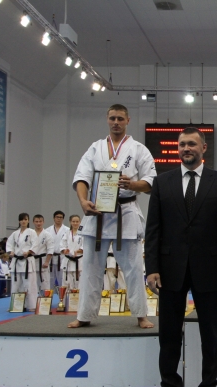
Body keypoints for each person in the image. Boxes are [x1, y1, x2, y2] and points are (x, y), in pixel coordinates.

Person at [145, 127, 217, 387]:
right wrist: (151, 267)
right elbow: (153, 229)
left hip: (210, 267)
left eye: (191, 144)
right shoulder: (161, 182)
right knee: (169, 333)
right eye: (182, 144)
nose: (186, 148)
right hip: (169, 268)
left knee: (211, 332)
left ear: (203, 148)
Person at [69, 104, 156, 329]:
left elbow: (151, 182)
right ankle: (84, 315)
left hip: (126, 212)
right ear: (107, 119)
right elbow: (82, 177)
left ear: (128, 120)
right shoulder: (95, 148)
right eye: (112, 118)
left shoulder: (138, 149)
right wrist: (83, 201)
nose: (116, 122)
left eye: (120, 118)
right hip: (97, 212)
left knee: (134, 268)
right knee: (90, 268)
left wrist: (132, 184)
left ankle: (141, 315)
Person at [6, 213, 38, 311]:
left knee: (29, 284)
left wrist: (29, 252)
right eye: (21, 219)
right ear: (19, 221)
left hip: (27, 261)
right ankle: (16, 306)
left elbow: (35, 244)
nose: (23, 221)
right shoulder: (15, 233)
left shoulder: (32, 232)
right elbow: (9, 244)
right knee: (15, 285)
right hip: (16, 261)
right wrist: (11, 251)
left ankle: (31, 305)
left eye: (25, 219)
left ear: (28, 221)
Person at [46, 211, 69, 288]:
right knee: (49, 280)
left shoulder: (67, 230)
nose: (59, 219)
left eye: (61, 217)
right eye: (57, 217)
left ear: (63, 219)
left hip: (61, 257)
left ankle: (62, 296)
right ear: (54, 218)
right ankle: (49, 295)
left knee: (62, 280)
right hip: (51, 258)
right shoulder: (47, 230)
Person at [31, 214, 54, 292]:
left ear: (43, 222)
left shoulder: (47, 235)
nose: (38, 223)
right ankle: (33, 299)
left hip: (43, 260)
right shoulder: (30, 234)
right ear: (33, 222)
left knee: (45, 283)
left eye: (40, 221)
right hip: (32, 260)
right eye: (36, 221)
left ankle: (45, 299)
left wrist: (47, 262)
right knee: (32, 283)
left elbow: (50, 249)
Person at [61, 215, 84, 290]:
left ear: (80, 222)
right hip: (68, 261)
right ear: (70, 222)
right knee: (67, 284)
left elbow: (85, 246)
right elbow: (62, 245)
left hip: (79, 261)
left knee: (79, 284)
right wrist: (65, 250)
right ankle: (66, 298)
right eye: (73, 221)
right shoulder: (66, 233)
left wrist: (78, 251)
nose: (75, 223)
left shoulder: (83, 233)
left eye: (77, 221)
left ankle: (79, 298)